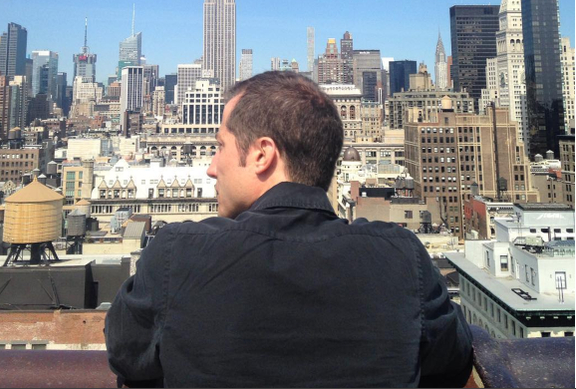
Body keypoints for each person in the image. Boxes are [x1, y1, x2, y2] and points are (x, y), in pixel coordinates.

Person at [105, 71, 473, 388]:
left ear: (262, 155)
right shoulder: (401, 259)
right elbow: (455, 359)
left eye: (219, 146)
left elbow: (125, 354)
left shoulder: (177, 256)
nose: (211, 167)